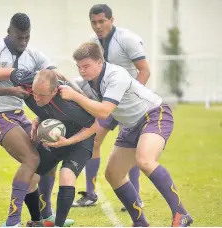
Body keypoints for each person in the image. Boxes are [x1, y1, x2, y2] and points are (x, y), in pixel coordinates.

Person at [58, 42, 193, 227]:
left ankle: (181, 214)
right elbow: (67, 84)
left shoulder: (116, 75)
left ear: (99, 62)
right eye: (79, 67)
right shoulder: (88, 81)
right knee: (113, 174)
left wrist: (75, 96)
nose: (82, 71)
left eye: (86, 66)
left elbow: (104, 112)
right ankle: (140, 223)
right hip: (129, 125)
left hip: (154, 114)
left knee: (144, 160)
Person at [0, 13, 73, 227]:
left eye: (27, 37)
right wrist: (11, 90)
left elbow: (53, 74)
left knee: (49, 156)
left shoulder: (33, 54)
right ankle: (12, 221)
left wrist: (70, 85)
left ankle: (45, 218)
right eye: (19, 38)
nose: (23, 42)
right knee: (31, 159)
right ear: (9, 32)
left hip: (19, 115)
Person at [0, 68, 97, 227]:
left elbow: (94, 126)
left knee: (66, 175)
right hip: (56, 137)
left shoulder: (69, 103)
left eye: (41, 95)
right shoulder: (28, 80)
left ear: (54, 91)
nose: (35, 97)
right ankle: (37, 221)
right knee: (30, 176)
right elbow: (8, 72)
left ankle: (57, 225)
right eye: (34, 92)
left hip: (80, 142)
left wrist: (68, 142)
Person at [73, 4, 151, 209]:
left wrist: (129, 98)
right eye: (94, 22)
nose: (98, 26)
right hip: (106, 103)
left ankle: (136, 198)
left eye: (102, 21)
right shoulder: (91, 43)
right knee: (93, 140)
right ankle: (90, 194)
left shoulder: (127, 39)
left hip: (127, 104)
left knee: (131, 148)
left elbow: (144, 70)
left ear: (111, 20)